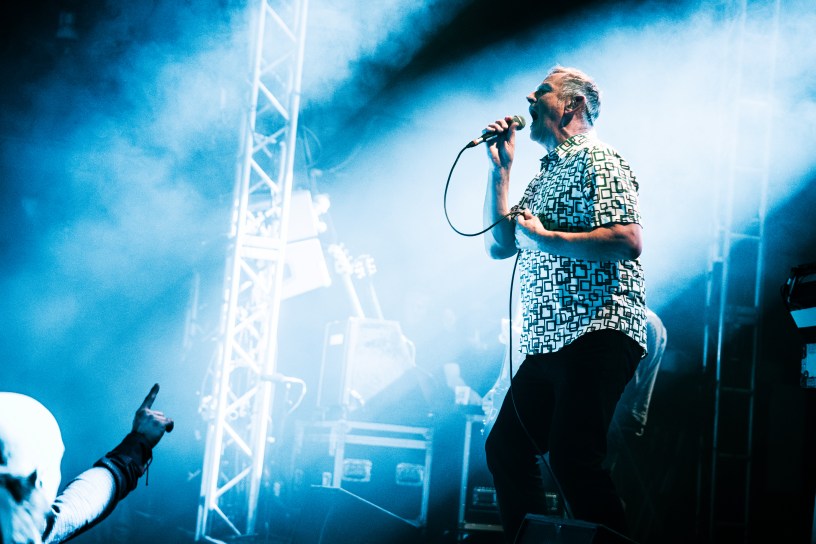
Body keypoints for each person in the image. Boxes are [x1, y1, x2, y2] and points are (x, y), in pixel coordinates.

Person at [480, 66, 647, 541]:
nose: (529, 98)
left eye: (543, 91)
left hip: (598, 329)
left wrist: (546, 238)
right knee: (507, 449)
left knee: (574, 460)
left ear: (572, 105)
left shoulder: (599, 157)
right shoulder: (545, 174)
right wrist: (501, 173)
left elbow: (628, 240)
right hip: (549, 341)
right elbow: (500, 246)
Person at [0, 384, 174, 543]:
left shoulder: (22, 526)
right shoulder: (22, 528)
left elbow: (79, 503)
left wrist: (137, 443)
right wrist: (139, 442)